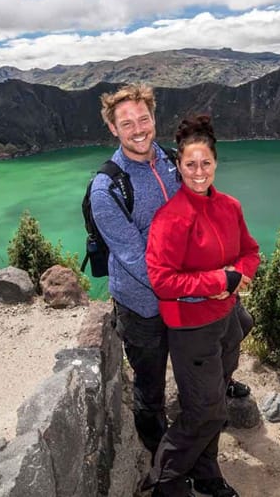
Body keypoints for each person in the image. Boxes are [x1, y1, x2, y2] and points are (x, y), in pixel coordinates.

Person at [144, 115, 261, 497]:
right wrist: (219, 281)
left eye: (205, 163)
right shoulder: (171, 219)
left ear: (216, 163)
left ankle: (206, 473)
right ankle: (166, 480)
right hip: (190, 327)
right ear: (178, 165)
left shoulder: (230, 206)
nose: (198, 172)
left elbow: (250, 251)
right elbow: (162, 281)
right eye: (190, 164)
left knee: (217, 398)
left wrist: (238, 276)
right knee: (205, 409)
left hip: (226, 319)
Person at [90, 84, 180, 454]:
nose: (138, 129)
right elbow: (135, 259)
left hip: (185, 294)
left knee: (215, 348)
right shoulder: (107, 188)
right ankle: (161, 460)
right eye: (127, 123)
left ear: (154, 118)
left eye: (144, 118)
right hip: (142, 304)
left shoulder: (174, 161)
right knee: (150, 384)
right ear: (113, 128)